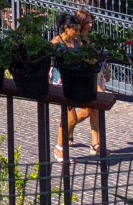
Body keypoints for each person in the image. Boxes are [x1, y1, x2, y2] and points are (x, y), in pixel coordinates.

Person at [51, 9, 103, 159]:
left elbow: (85, 56)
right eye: (75, 30)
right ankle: (59, 148)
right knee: (70, 118)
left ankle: (67, 134)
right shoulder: (56, 42)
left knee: (87, 111)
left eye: (79, 30)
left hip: (75, 81)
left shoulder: (76, 42)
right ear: (67, 28)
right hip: (61, 83)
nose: (77, 33)